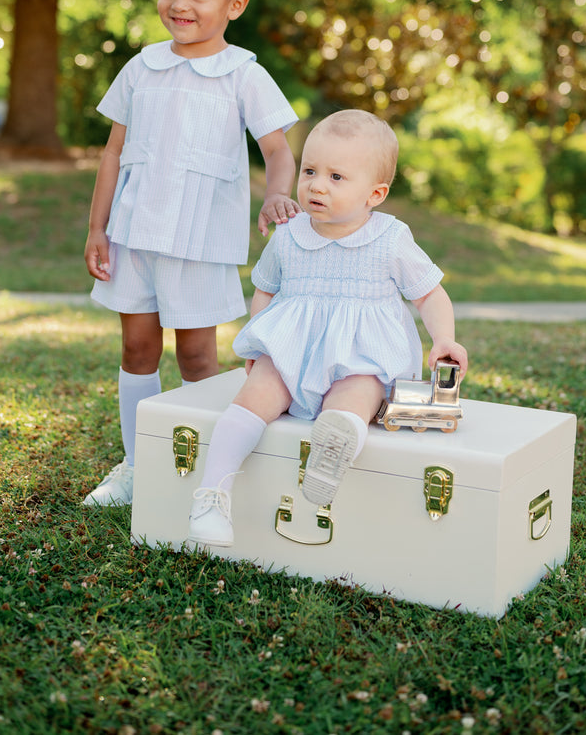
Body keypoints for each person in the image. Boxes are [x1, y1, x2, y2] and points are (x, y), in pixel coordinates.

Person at [83, 0, 300, 506]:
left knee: (200, 355)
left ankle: (214, 467)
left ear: (235, 4)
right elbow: (113, 152)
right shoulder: (142, 67)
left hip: (200, 243)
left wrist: (278, 194)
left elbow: (278, 149)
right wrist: (97, 228)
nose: (179, 4)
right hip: (134, 236)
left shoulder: (244, 75)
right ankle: (137, 464)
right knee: (136, 348)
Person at [187, 109, 468, 547]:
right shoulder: (289, 234)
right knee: (251, 400)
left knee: (356, 395)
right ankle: (211, 494)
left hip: (363, 355)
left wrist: (444, 338)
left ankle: (332, 450)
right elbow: (265, 288)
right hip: (290, 351)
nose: (317, 184)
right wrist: (260, 339)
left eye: (337, 177)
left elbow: (428, 294)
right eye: (310, 170)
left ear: (375, 193)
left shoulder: (390, 238)